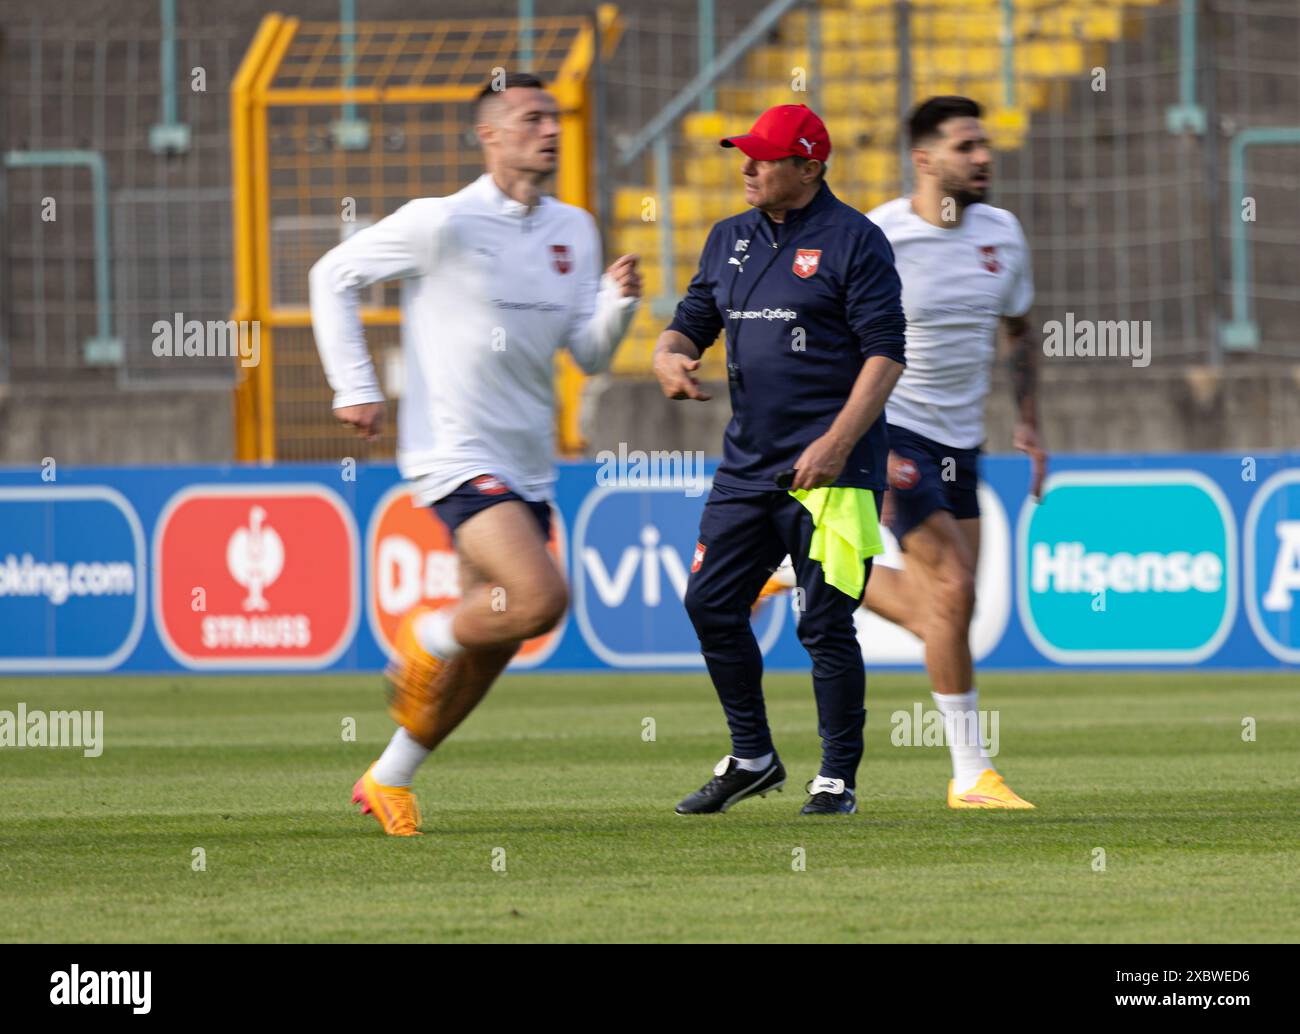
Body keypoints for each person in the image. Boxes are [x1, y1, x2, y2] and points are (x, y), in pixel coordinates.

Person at [310, 72, 641, 835]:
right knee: (542, 599)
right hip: (455, 452)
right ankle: (421, 636)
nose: (549, 131)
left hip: (528, 460)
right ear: (490, 135)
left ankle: (389, 776)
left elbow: (586, 357)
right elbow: (333, 275)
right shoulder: (443, 222)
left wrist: (617, 309)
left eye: (553, 119)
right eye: (531, 119)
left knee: (497, 638)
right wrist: (354, 386)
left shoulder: (576, 230)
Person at [761, 95, 1042, 809]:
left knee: (946, 608)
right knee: (950, 593)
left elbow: (1018, 327)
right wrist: (834, 427)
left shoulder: (1003, 236)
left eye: (985, 144)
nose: (983, 158)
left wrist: (1030, 423)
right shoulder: (877, 234)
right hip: (890, 430)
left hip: (962, 440)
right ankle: (972, 774)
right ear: (924, 160)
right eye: (966, 147)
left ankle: (804, 566)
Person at [654, 104, 906, 816]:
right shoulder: (726, 236)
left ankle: (836, 779)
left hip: (838, 471)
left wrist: (838, 443)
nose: (748, 166)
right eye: (746, 154)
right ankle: (753, 756)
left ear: (810, 168)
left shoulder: (857, 240)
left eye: (765, 157)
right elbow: (691, 323)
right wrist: (667, 356)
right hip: (748, 467)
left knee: (824, 623)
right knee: (709, 603)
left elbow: (887, 354)